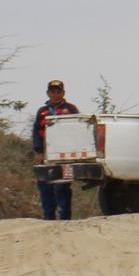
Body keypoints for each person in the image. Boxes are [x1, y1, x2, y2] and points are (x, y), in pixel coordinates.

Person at [31, 80, 82, 220]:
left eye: (58, 91)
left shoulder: (71, 110)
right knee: (45, 186)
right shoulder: (42, 112)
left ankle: (65, 217)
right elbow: (36, 132)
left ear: (63, 93)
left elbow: (78, 130)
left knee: (62, 187)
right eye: (52, 92)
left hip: (65, 155)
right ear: (48, 93)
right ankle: (48, 218)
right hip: (46, 155)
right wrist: (39, 152)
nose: (55, 94)